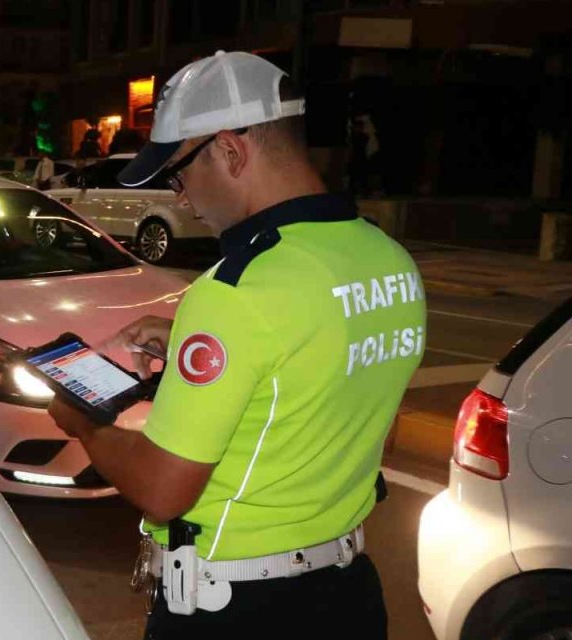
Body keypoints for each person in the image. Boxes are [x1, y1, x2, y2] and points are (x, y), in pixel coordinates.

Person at [46, 51, 426, 639]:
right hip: (347, 595)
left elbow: (162, 490)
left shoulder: (235, 291)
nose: (181, 198)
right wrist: (202, 346)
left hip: (236, 609)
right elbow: (351, 403)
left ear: (229, 151)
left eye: (179, 174)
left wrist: (84, 424)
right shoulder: (388, 258)